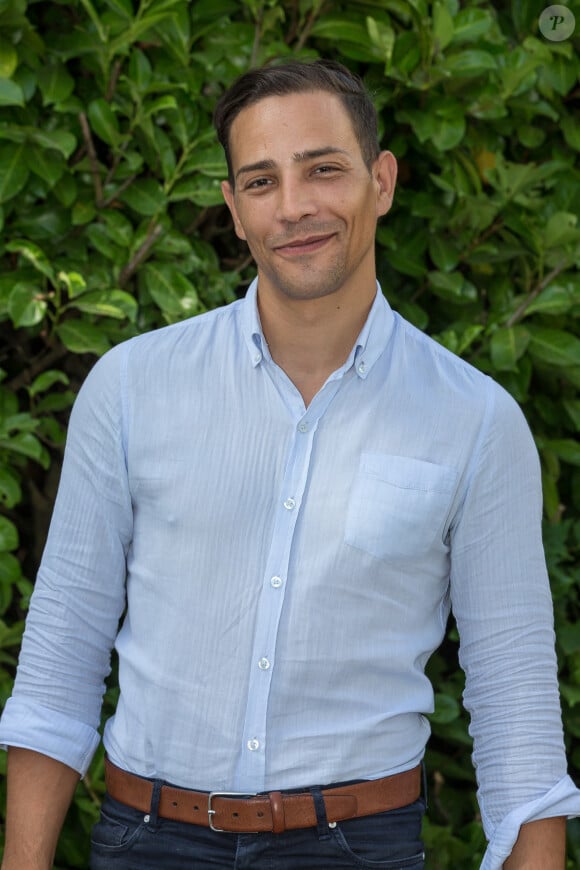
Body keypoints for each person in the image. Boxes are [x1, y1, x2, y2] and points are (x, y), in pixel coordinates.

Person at [1, 59, 578, 870]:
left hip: (359, 846)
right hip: (146, 841)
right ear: (234, 210)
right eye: (262, 181)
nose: (295, 206)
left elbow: (515, 701)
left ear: (382, 180)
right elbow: (60, 660)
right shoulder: (130, 389)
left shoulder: (475, 421)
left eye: (324, 169)